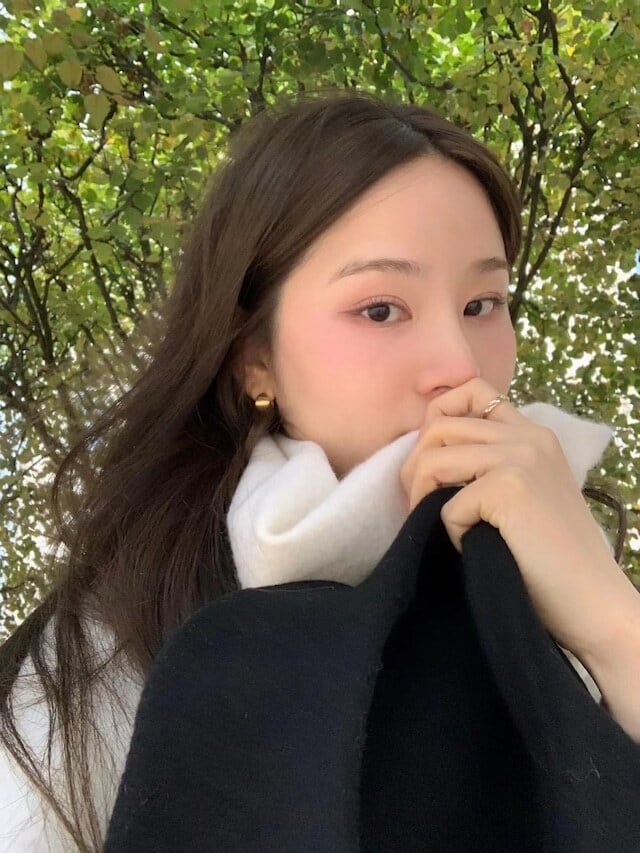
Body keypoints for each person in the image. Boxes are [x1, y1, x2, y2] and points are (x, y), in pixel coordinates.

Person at [0, 89, 638, 852]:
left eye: (482, 303)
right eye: (380, 309)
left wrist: (610, 620)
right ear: (254, 357)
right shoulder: (119, 638)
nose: (460, 365)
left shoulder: (555, 568)